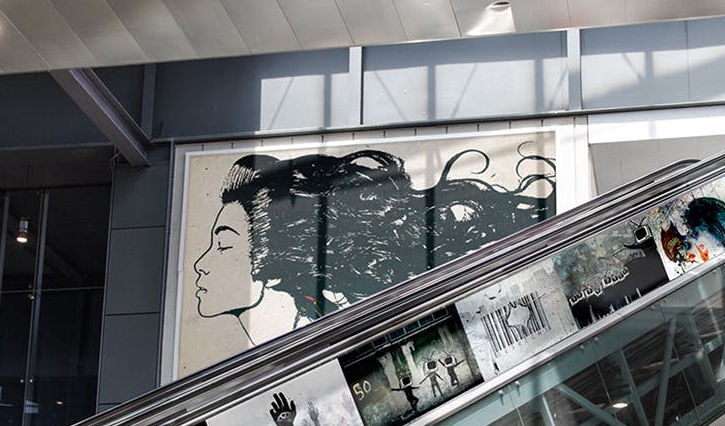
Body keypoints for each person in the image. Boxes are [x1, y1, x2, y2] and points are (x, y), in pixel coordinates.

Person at [193, 148, 555, 345]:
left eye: (223, 245)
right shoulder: (306, 325)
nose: (199, 264)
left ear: (278, 261)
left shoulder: (309, 331)